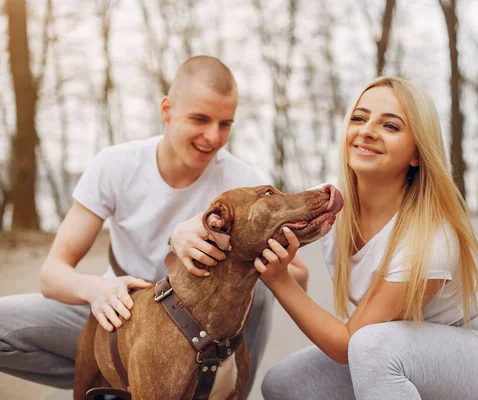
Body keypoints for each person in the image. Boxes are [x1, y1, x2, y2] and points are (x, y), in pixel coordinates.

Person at [0, 55, 308, 396]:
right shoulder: (115, 166)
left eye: (225, 124)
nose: (212, 136)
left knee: (262, 286)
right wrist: (97, 290)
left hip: (205, 334)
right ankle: (124, 381)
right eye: (200, 119)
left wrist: (268, 263)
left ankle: (227, 389)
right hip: (119, 320)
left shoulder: (242, 184)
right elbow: (52, 274)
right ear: (166, 110)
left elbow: (298, 275)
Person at [255, 76, 478, 399]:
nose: (367, 130)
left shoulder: (431, 237)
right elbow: (255, 213)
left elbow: (348, 343)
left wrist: (281, 282)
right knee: (284, 384)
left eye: (391, 126)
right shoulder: (327, 203)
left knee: (370, 347)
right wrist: (187, 233)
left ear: (416, 154)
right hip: (400, 350)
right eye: (359, 117)